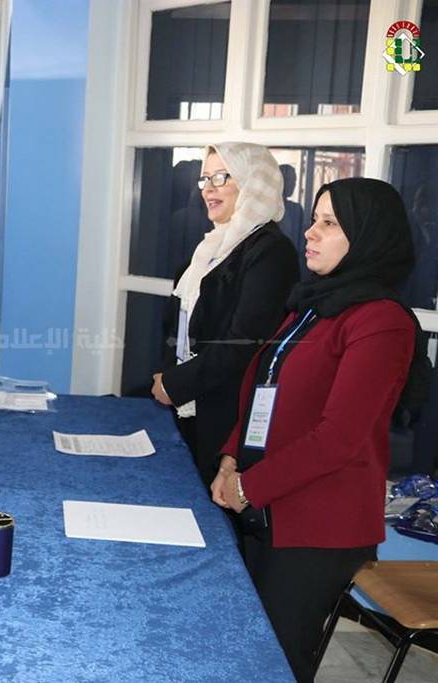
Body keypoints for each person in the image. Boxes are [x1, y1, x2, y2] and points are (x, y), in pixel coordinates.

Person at [211, 178, 430, 683]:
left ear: (367, 236)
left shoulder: (381, 321)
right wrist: (231, 458)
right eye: (313, 219)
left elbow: (339, 439)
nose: (310, 232)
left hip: (317, 526)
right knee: (241, 647)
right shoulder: (312, 304)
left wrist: (249, 486)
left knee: (275, 662)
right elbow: (263, 388)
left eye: (329, 223)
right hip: (263, 503)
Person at [152, 142, 300, 487]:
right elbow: (180, 327)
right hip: (191, 406)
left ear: (253, 182)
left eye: (222, 177)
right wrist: (168, 373)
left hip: (228, 416)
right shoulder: (212, 246)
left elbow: (242, 342)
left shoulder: (270, 251)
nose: (208, 188)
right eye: (205, 178)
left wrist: (175, 384)